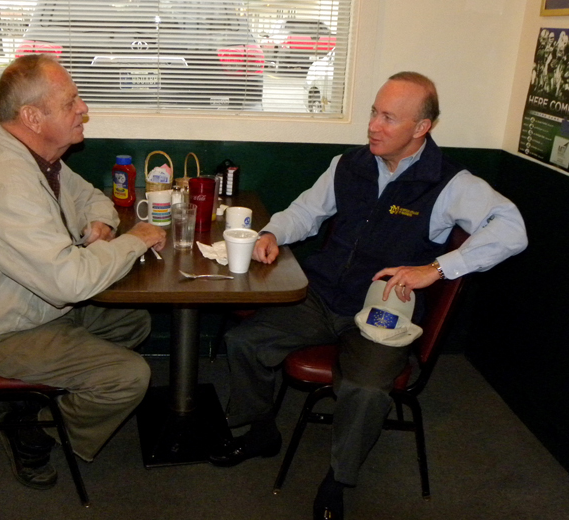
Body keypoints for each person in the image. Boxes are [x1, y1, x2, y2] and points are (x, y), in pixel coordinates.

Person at [208, 72, 528, 520]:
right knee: (244, 342)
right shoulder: (348, 164)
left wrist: (437, 269)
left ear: (422, 128)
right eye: (375, 113)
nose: (374, 126)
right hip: (322, 295)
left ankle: (339, 478)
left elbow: (512, 230)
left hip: (383, 308)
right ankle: (261, 429)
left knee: (365, 389)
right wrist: (273, 233)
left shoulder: (450, 182)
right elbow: (307, 211)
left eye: (389, 118)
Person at [0, 54, 166, 490]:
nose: (83, 109)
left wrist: (98, 223)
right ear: (32, 117)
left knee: (134, 321)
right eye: (70, 102)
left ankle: (45, 394)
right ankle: (34, 431)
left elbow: (93, 197)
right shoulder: (4, 185)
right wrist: (135, 239)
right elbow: (71, 282)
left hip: (36, 309)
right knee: (130, 376)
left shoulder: (42, 159)